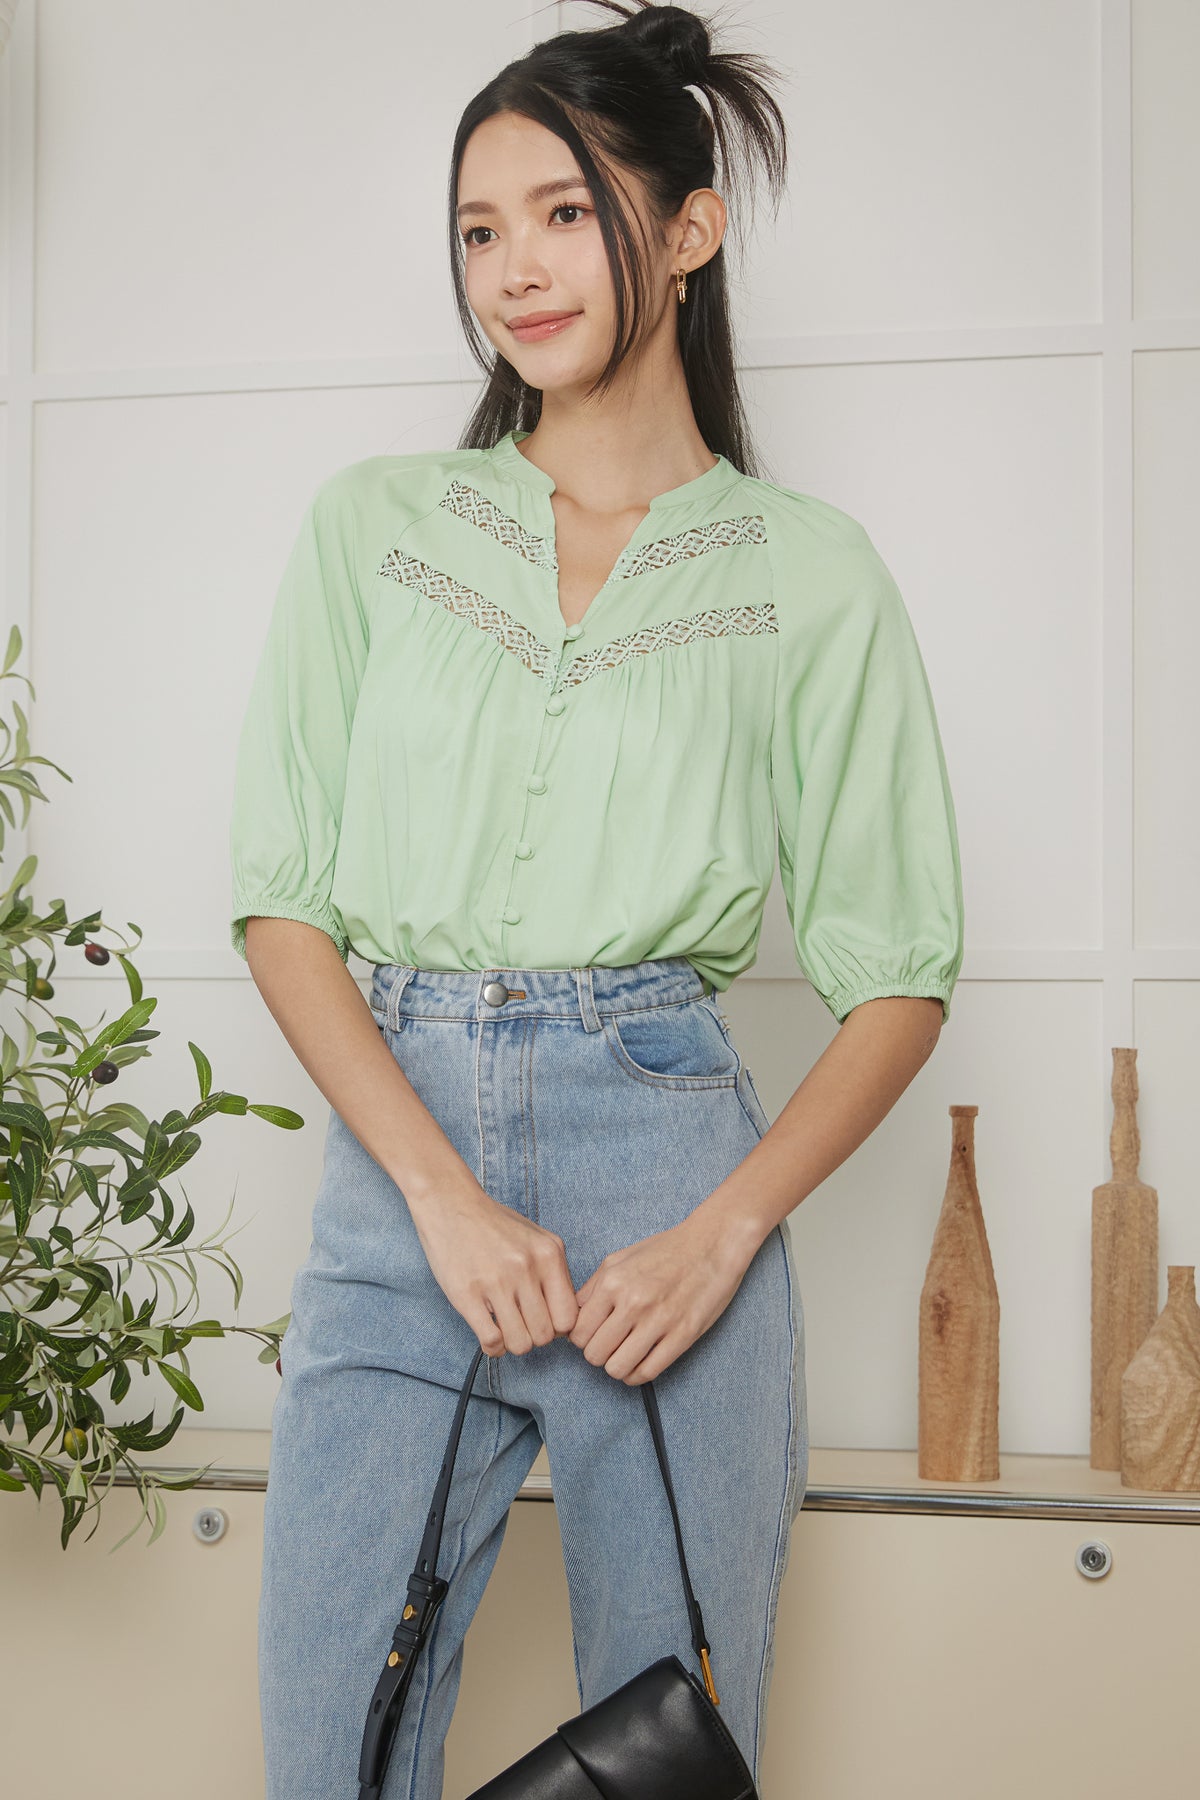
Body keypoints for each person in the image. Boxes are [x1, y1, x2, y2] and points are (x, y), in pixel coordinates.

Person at [228, 3, 965, 1795]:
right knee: (330, 1752)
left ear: (689, 230)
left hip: (669, 1173)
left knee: (669, 1753)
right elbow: (280, 897)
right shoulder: (377, 529)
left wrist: (724, 1232)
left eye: (564, 213)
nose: (514, 269)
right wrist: (438, 1198)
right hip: (401, 1175)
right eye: (480, 230)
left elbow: (901, 969)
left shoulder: (811, 575)